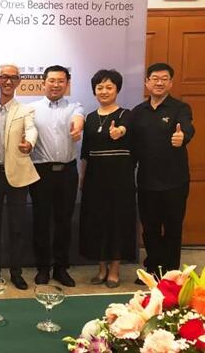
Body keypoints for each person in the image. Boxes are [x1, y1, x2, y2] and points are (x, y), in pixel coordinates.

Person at [130, 63, 195, 279]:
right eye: (155, 78)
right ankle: (153, 270)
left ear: (171, 83)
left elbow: (188, 127)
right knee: (150, 228)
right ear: (147, 82)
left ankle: (171, 273)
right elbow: (132, 144)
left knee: (173, 227)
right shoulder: (138, 112)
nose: (159, 82)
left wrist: (182, 137)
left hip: (175, 181)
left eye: (164, 79)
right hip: (147, 181)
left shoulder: (180, 108)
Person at [0, 64, 39, 291]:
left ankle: (16, 273)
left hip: (17, 176)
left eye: (13, 78)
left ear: (18, 82)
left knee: (17, 228)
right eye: (4, 77)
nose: (8, 81)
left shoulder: (25, 110)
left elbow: (31, 129)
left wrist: (29, 143)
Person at [79, 69, 136, 288]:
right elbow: (85, 152)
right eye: (100, 87)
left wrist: (118, 131)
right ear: (94, 91)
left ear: (117, 90)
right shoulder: (90, 118)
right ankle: (101, 268)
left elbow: (124, 129)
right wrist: (82, 177)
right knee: (97, 221)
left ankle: (114, 269)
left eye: (109, 87)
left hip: (120, 178)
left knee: (117, 221)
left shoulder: (126, 114)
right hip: (95, 177)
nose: (104, 91)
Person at [29, 65, 84, 287]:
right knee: (40, 222)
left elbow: (78, 120)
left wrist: (77, 129)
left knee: (64, 222)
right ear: (43, 83)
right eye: (51, 80)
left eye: (61, 81)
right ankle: (42, 268)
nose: (56, 85)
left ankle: (61, 268)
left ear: (67, 84)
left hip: (67, 173)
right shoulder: (31, 109)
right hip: (41, 172)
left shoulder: (75, 106)